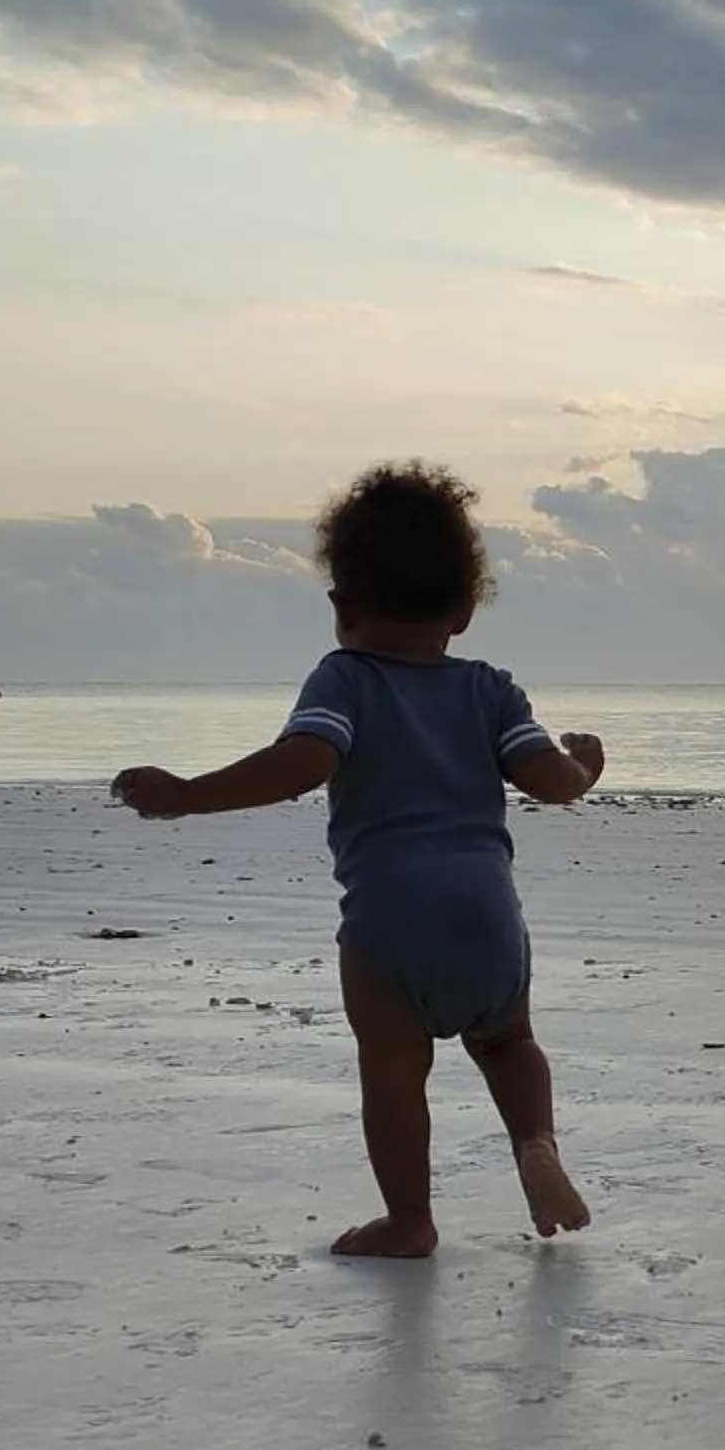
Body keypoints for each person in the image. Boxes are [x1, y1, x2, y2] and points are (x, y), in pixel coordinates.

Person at [113, 461, 605, 1258]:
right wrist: (585, 763)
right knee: (508, 1042)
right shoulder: (490, 690)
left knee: (393, 1066)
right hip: (487, 914)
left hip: (388, 921)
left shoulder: (344, 680)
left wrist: (188, 796)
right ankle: (536, 1144)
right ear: (464, 610)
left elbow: (302, 764)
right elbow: (551, 783)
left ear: (342, 606)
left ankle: (410, 1221)